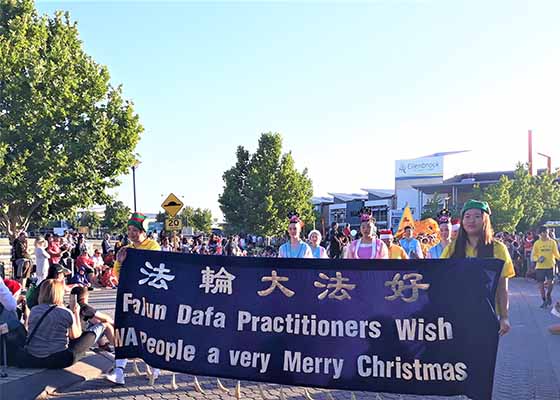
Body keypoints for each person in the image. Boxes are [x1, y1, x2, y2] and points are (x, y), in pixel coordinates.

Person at [441, 200, 515, 336]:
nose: (471, 220)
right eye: (467, 216)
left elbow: (502, 287)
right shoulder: (452, 249)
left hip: (486, 315)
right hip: (456, 314)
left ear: (485, 220)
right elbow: (440, 278)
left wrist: (504, 317)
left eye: (477, 216)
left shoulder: (498, 249)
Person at [107, 212, 161, 385]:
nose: (130, 233)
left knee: (148, 332)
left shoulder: (153, 246)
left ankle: (155, 367)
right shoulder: (126, 249)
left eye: (134, 230)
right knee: (124, 331)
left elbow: (153, 269)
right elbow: (117, 275)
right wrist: (119, 261)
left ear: (142, 231)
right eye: (129, 229)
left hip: (148, 300)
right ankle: (119, 371)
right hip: (129, 298)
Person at [20, 279, 105, 368]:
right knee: (102, 326)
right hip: (57, 358)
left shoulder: (34, 310)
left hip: (34, 357)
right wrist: (75, 312)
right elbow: (75, 335)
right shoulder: (65, 312)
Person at [70, 286, 115, 350]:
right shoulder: (84, 307)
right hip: (78, 342)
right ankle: (119, 346)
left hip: (71, 340)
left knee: (95, 321)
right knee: (106, 324)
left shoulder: (69, 306)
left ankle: (102, 345)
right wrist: (115, 325)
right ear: (84, 299)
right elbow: (105, 318)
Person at [532, 226, 560, 308]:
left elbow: (556, 253)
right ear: (540, 234)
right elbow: (533, 255)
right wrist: (538, 259)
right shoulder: (537, 243)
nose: (546, 235)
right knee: (541, 285)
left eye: (547, 233)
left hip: (550, 265)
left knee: (551, 283)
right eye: (544, 233)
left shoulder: (552, 242)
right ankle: (544, 300)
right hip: (540, 267)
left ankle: (548, 295)